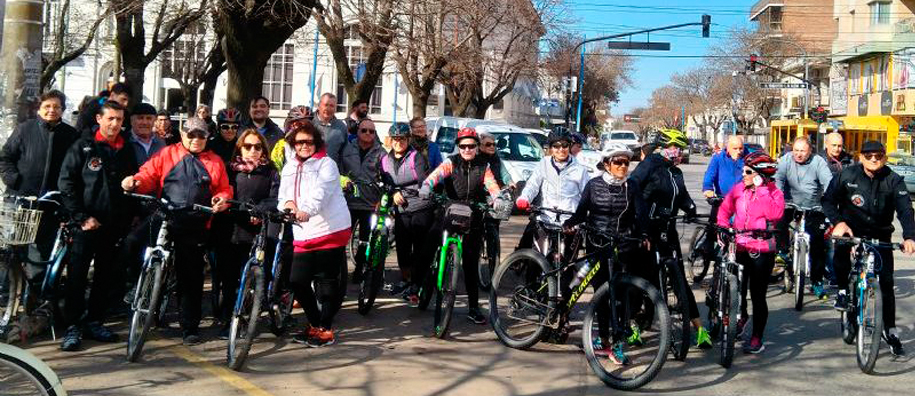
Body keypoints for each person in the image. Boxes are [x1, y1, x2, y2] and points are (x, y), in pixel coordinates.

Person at [121, 117, 232, 345]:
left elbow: (224, 189)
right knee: (132, 242)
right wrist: (134, 182)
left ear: (207, 137)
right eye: (191, 134)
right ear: (183, 134)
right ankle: (135, 286)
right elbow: (148, 174)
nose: (195, 139)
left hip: (195, 221)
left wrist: (222, 200)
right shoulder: (167, 153)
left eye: (201, 135)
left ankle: (189, 326)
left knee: (191, 276)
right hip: (166, 214)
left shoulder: (215, 161)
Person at [56, 100, 139, 351]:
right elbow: (66, 183)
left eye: (119, 119)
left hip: (114, 225)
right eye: (110, 119)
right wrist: (81, 217)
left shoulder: (127, 149)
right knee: (77, 277)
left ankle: (95, 321)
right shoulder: (82, 146)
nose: (115, 124)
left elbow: (133, 183)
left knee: (106, 276)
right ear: (99, 120)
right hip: (85, 224)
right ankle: (72, 326)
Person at [823, 140, 915, 357]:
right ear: (861, 156)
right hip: (851, 231)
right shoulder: (847, 175)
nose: (874, 159)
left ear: (884, 157)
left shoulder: (893, 180)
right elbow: (827, 200)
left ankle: (890, 330)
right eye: (869, 155)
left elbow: (905, 210)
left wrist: (910, 236)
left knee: (887, 283)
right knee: (841, 252)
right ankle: (844, 292)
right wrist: (838, 223)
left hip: (880, 234)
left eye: (878, 155)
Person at [563, 145, 649, 365]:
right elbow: (582, 212)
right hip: (597, 245)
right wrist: (570, 224)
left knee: (621, 297)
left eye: (626, 163)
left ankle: (618, 343)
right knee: (601, 294)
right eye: (617, 162)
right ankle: (602, 339)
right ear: (607, 164)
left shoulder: (633, 186)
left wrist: (643, 234)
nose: (622, 167)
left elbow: (640, 215)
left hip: (623, 247)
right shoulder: (593, 185)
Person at [629, 128, 710, 349]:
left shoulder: (676, 172)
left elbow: (681, 195)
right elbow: (633, 183)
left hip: (668, 230)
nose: (681, 152)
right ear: (666, 147)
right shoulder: (652, 163)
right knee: (641, 279)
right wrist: (641, 211)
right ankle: (632, 326)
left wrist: (691, 208)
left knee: (680, 281)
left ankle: (700, 329)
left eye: (682, 149)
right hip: (647, 230)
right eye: (678, 148)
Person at [419, 127, 507, 324]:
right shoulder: (451, 162)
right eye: (463, 146)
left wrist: (497, 197)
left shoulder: (483, 166)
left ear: (477, 146)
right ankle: (420, 285)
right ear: (458, 147)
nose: (467, 149)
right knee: (429, 244)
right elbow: (437, 174)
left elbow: (491, 184)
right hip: (449, 211)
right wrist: (426, 185)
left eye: (471, 146)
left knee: (469, 262)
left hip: (473, 216)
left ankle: (473, 307)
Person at [279, 120, 351, 347]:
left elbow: (321, 194)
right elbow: (284, 194)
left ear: (317, 142)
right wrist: (288, 205)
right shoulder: (289, 166)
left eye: (309, 141)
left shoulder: (327, 164)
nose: (304, 146)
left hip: (330, 230)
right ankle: (315, 323)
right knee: (297, 282)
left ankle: (326, 329)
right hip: (303, 232)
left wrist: (304, 211)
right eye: (299, 141)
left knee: (325, 282)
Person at [717, 151, 784, 354]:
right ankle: (741, 316)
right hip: (740, 246)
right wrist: (722, 227)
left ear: (758, 175)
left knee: (758, 295)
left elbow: (775, 214)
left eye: (747, 171)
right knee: (739, 289)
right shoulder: (738, 190)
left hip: (762, 250)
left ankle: (757, 337)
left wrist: (761, 189)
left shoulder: (774, 193)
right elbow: (725, 209)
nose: (743, 175)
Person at [216, 129, 279, 338]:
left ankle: (249, 315)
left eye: (257, 146)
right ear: (240, 148)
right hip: (230, 229)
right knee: (228, 279)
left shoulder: (270, 171)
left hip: (256, 232)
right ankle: (227, 320)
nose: (253, 151)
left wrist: (260, 210)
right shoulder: (229, 170)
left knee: (252, 277)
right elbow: (222, 192)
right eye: (248, 146)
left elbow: (275, 198)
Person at [380, 123, 434, 305]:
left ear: (408, 139)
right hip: (401, 208)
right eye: (395, 139)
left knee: (419, 247)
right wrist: (392, 192)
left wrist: (403, 192)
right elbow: (385, 181)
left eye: (402, 138)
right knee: (402, 247)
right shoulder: (385, 160)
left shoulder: (415, 157)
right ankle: (406, 279)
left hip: (420, 206)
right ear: (390, 140)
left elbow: (423, 181)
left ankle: (418, 284)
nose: (398, 142)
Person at [774, 137, 832, 298]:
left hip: (814, 205)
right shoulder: (786, 159)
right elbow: (778, 178)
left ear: (810, 151)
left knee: (818, 244)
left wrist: (830, 197)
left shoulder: (818, 162)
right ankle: (783, 252)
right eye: (796, 150)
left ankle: (817, 282)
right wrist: (778, 195)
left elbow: (828, 182)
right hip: (790, 203)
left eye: (802, 151)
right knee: (778, 220)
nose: (798, 154)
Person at [514, 131, 590, 250]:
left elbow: (586, 197)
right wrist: (524, 198)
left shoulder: (580, 170)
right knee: (536, 262)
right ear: (551, 148)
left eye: (564, 145)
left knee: (567, 266)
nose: (561, 149)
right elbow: (532, 185)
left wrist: (580, 219)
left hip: (569, 223)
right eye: (556, 146)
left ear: (569, 146)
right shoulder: (543, 164)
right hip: (546, 219)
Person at [0, 90, 80, 197]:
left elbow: (76, 165)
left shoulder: (71, 134)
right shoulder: (25, 129)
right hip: (20, 196)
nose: (51, 110)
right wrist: (13, 179)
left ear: (62, 110)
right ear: (39, 108)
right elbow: (5, 157)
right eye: (47, 106)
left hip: (54, 199)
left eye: (56, 107)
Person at [340, 119, 385, 285]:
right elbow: (339, 171)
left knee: (364, 240)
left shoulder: (381, 153)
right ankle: (340, 271)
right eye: (364, 130)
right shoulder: (347, 149)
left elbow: (386, 178)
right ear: (358, 131)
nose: (368, 134)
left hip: (370, 204)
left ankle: (360, 269)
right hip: (347, 202)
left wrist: (381, 200)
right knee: (342, 238)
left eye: (371, 131)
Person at [313, 93, 348, 164]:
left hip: (332, 171)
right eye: (325, 105)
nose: (328, 109)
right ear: (319, 106)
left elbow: (345, 154)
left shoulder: (341, 127)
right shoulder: (309, 124)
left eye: (332, 106)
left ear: (335, 108)